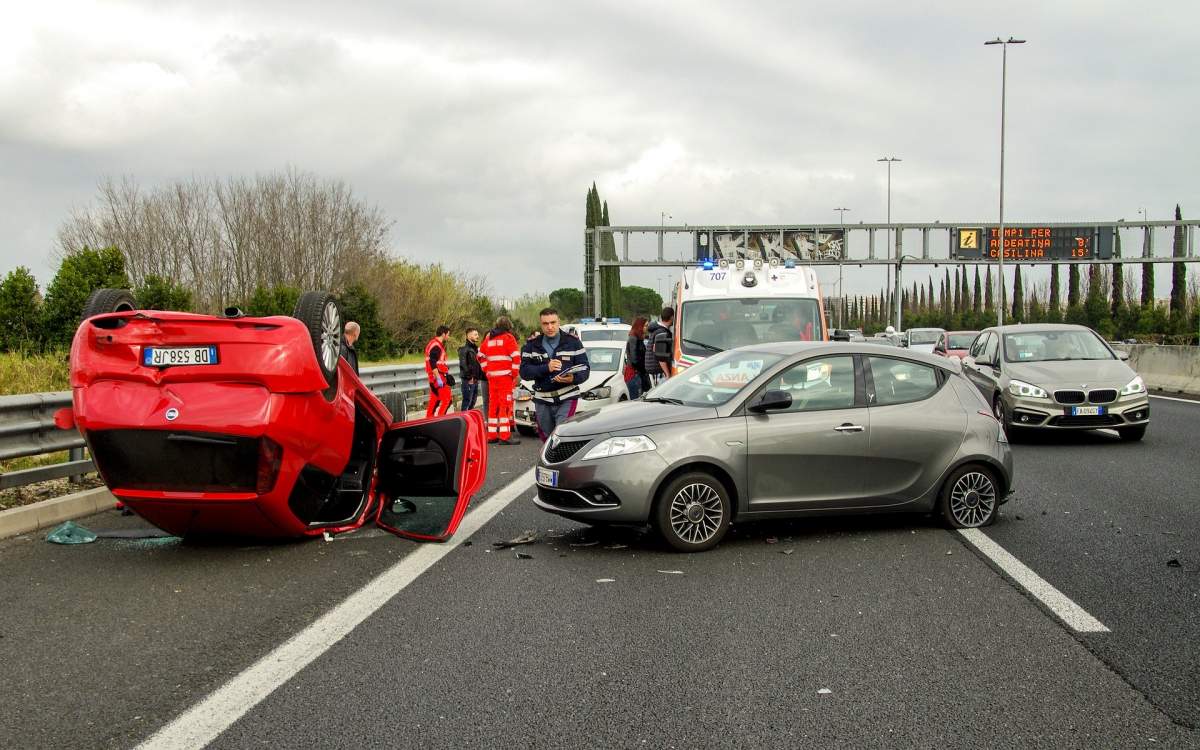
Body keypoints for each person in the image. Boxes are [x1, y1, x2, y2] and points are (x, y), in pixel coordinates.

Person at [520, 307, 590, 441]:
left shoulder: (573, 342)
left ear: (559, 322)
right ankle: (549, 461)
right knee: (547, 439)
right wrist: (546, 368)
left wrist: (573, 378)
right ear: (541, 325)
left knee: (562, 433)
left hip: (567, 397)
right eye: (546, 324)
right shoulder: (531, 345)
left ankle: (565, 462)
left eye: (553, 322)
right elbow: (524, 372)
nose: (550, 327)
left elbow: (585, 369)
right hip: (542, 399)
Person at [481, 316, 522, 444]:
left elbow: (480, 355)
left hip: (492, 378)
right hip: (505, 377)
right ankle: (504, 436)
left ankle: (492, 435)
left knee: (493, 405)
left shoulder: (489, 338)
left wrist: (487, 371)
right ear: (508, 326)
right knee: (505, 405)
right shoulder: (509, 338)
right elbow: (516, 358)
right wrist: (514, 373)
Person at [423, 325, 454, 418]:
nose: (448, 336)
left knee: (435, 400)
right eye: (448, 334)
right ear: (443, 334)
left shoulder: (433, 343)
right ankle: (441, 420)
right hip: (438, 377)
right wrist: (438, 378)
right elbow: (432, 362)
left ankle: (429, 420)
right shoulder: (436, 346)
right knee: (447, 400)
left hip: (433, 377)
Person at [644, 306, 675, 385]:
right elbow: (661, 356)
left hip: (654, 369)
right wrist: (668, 374)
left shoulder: (657, 330)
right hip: (658, 371)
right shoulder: (662, 333)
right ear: (671, 317)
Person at [457, 327, 484, 411]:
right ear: (469, 336)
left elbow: (476, 365)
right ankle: (463, 422)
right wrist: (470, 378)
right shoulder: (464, 350)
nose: (477, 336)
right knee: (467, 402)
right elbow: (463, 365)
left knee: (472, 402)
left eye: (477, 334)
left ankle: (468, 421)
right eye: (475, 334)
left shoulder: (475, 349)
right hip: (468, 380)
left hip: (475, 379)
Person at [624, 316, 649, 399]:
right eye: (645, 326)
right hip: (634, 374)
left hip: (638, 373)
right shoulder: (633, 338)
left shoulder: (639, 338)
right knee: (636, 401)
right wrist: (643, 369)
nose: (647, 328)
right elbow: (635, 359)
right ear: (640, 326)